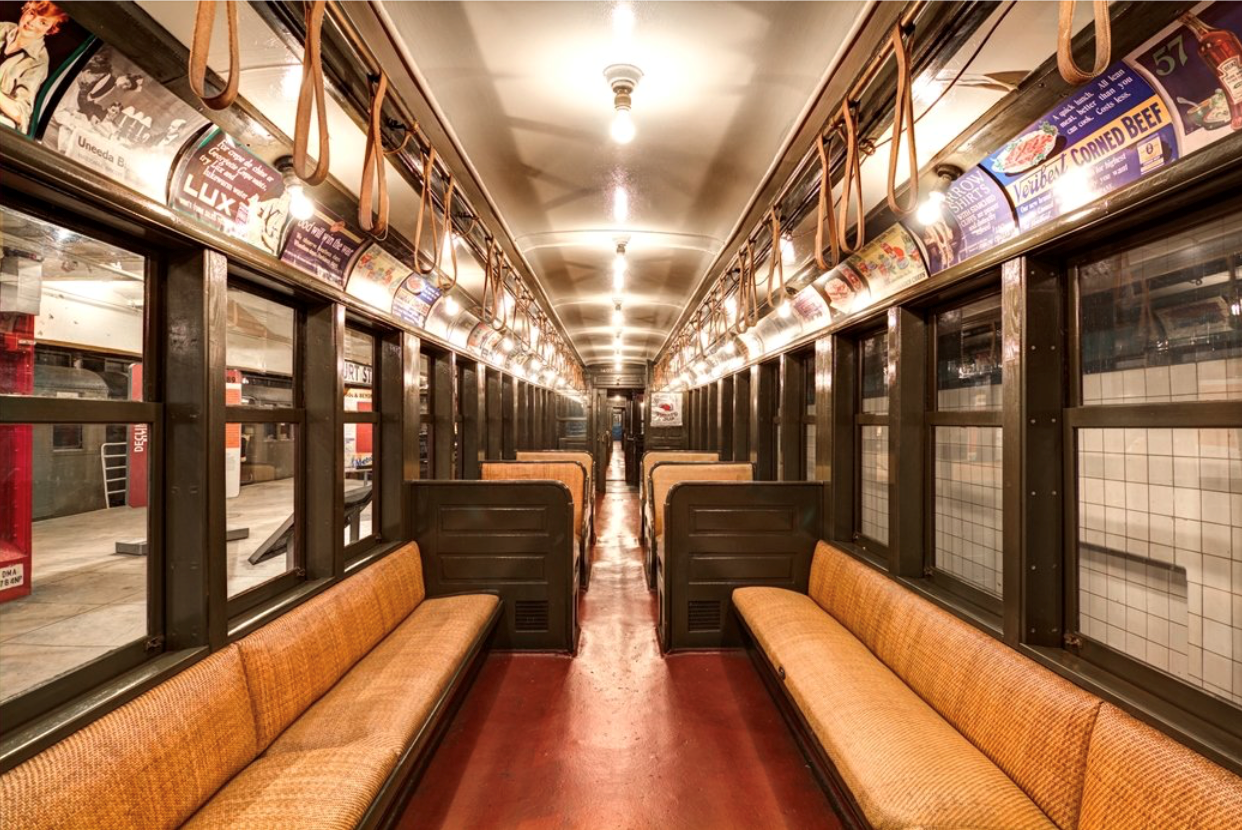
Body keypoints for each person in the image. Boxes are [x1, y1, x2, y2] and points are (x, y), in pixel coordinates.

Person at [0, 1, 70, 134]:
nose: (32, 22)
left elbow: (20, 114)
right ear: (25, 9)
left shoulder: (39, 63)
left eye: (43, 22)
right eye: (32, 13)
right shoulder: (3, 27)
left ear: (50, 30)